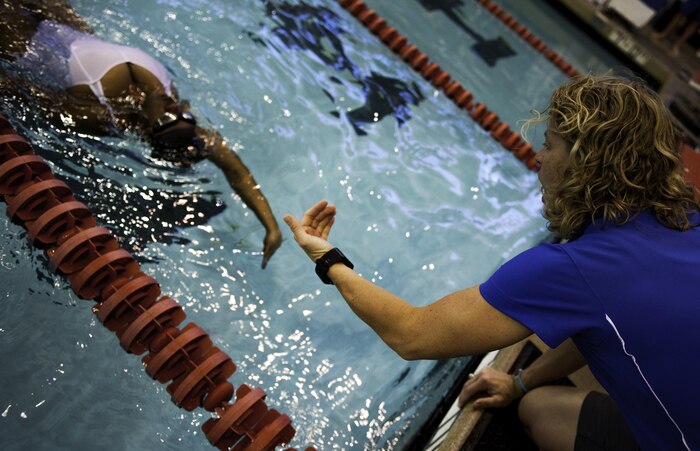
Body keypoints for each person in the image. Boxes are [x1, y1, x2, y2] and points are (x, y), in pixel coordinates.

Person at [283, 75, 700, 450]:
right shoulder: (686, 218)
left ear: (585, 164)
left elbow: (411, 335)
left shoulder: (574, 268)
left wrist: (327, 259)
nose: (538, 157)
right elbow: (608, 323)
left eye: (549, 144)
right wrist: (519, 382)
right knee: (539, 407)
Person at [0, 0, 282, 268]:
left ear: (148, 127)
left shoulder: (105, 115)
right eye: (178, 106)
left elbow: (21, 91)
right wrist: (272, 227)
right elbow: (237, 173)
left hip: (52, 44)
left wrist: (272, 229)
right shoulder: (129, 111)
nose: (173, 101)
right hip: (64, 38)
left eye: (168, 106)